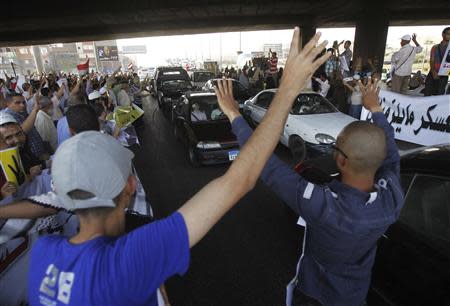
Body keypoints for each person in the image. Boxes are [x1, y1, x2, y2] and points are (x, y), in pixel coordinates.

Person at [27, 28, 330, 306]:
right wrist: (287, 88)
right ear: (131, 187)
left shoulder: (43, 254)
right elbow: (239, 180)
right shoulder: (131, 260)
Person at [221, 74, 404, 305]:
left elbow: (264, 162)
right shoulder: (392, 198)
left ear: (342, 161)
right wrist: (375, 108)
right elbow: (392, 154)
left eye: (336, 146)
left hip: (316, 296)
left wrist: (234, 114)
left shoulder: (325, 208)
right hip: (355, 295)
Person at [2, 92, 47, 160]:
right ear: (8, 104)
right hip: (30, 160)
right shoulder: (7, 117)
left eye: (23, 102)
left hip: (39, 155)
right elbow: (22, 131)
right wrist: (35, 110)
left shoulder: (22, 113)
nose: (22, 105)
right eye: (17, 103)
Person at [424, 27, 450, 96]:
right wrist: (433, 71)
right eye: (448, 34)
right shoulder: (435, 47)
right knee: (427, 92)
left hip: (444, 74)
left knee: (439, 94)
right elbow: (432, 60)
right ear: (443, 34)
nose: (449, 36)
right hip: (433, 72)